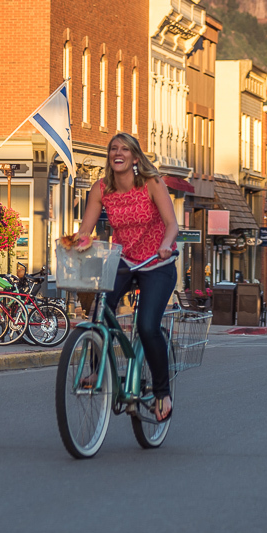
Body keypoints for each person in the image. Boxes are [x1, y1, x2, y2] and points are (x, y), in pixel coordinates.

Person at [72, 132, 180, 422]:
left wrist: (166, 246)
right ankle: (98, 369)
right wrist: (76, 244)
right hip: (123, 261)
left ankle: (162, 391)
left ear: (134, 157)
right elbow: (85, 231)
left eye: (124, 149)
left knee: (146, 325)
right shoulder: (101, 189)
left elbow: (172, 224)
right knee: (98, 310)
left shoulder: (151, 184)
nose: (117, 153)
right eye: (113, 149)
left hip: (156, 262)